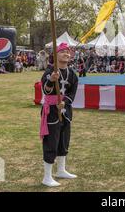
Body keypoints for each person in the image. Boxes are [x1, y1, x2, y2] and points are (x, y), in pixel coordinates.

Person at [40, 43, 78, 187]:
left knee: (63, 140)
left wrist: (65, 102)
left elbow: (72, 93)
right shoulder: (50, 71)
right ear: (55, 55)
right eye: (62, 51)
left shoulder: (72, 74)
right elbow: (46, 90)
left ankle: (61, 170)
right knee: (51, 141)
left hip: (65, 111)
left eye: (68, 52)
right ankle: (47, 177)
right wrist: (51, 81)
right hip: (51, 111)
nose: (66, 54)